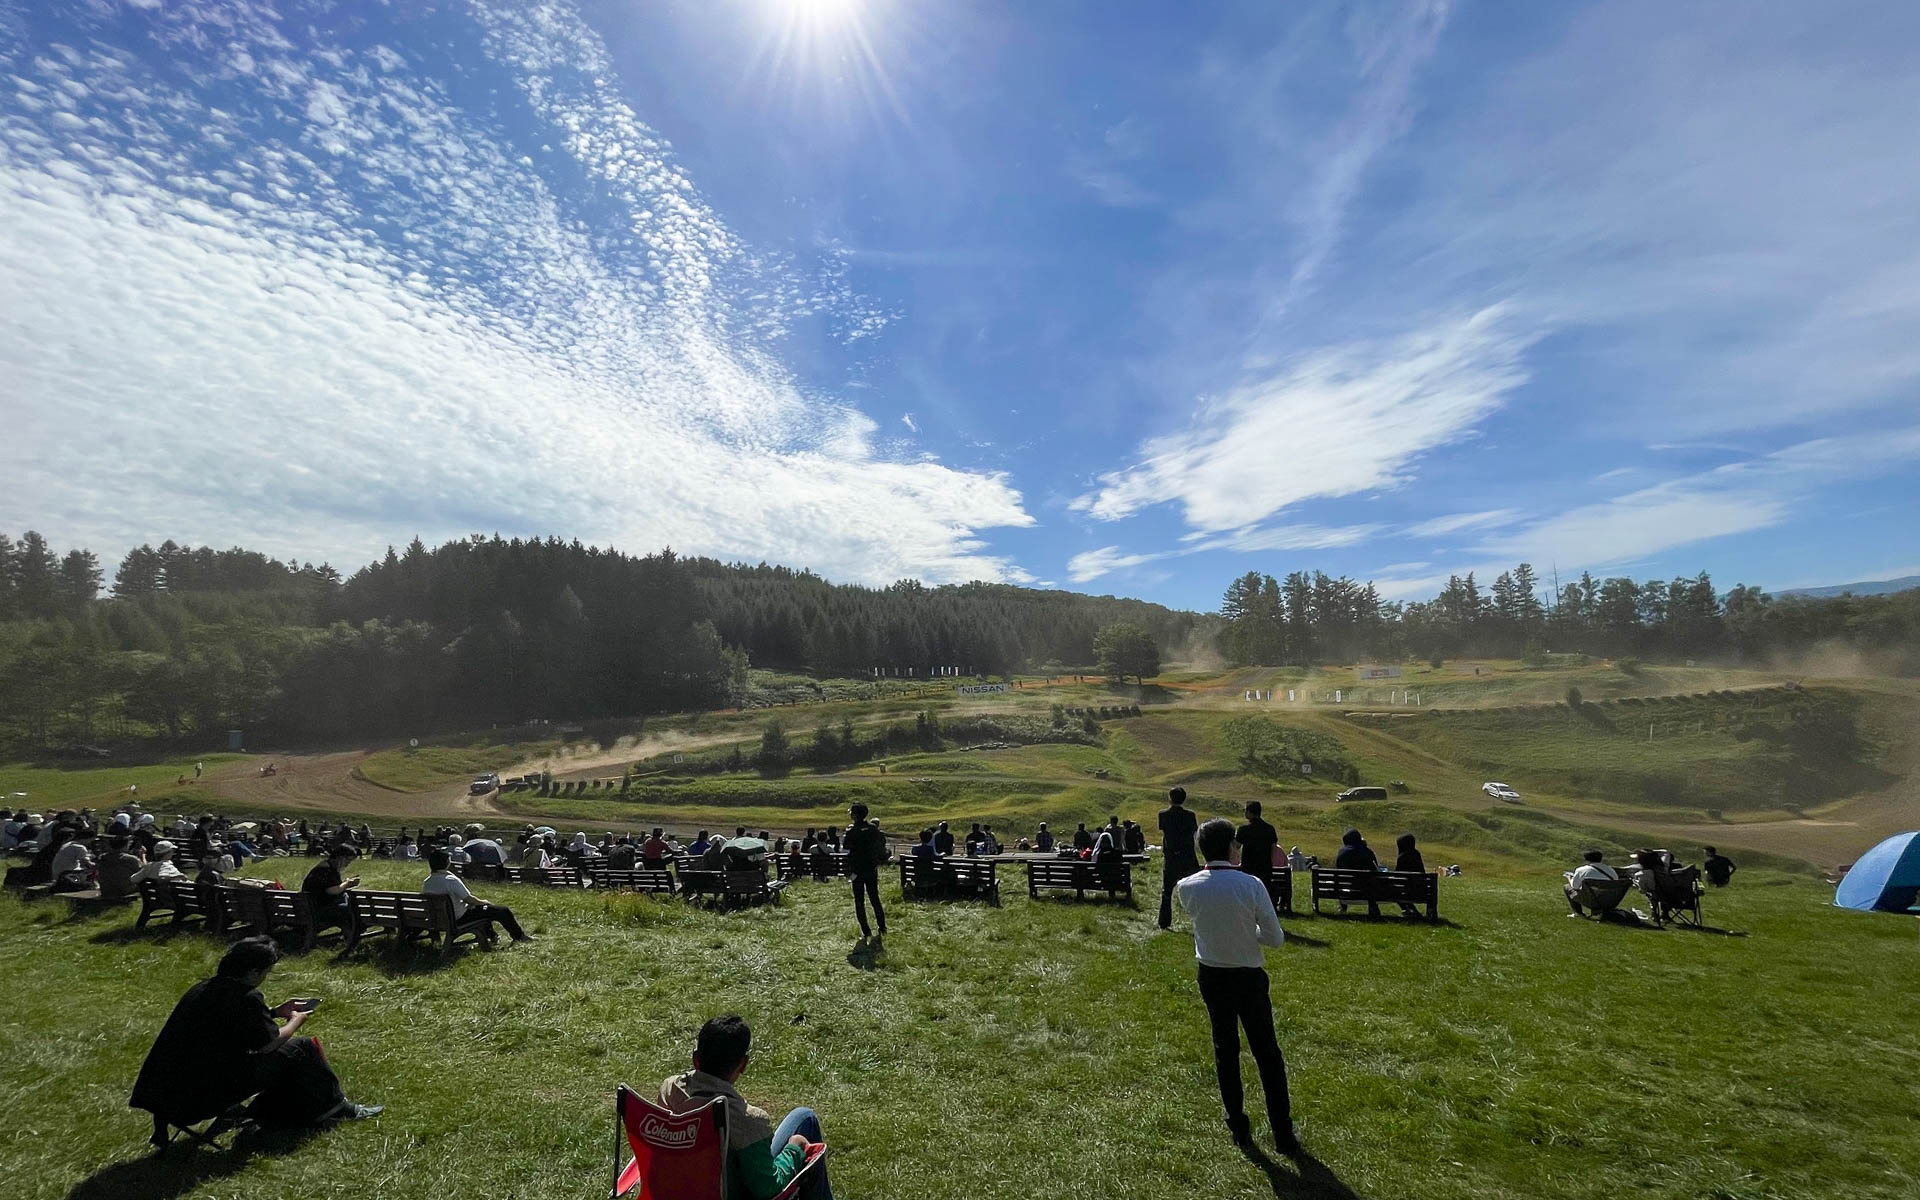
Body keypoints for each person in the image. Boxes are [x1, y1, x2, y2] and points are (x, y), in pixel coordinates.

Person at [130, 936, 380, 1143]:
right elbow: (268, 1044)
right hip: (200, 1098)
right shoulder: (246, 997)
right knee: (302, 1048)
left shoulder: (204, 989)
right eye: (267, 971)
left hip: (164, 1093)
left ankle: (274, 1112)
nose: (266, 976)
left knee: (287, 1056)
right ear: (252, 972)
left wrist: (273, 1013)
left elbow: (230, 1028)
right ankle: (337, 1109)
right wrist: (296, 1020)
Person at [1175, 819, 1297, 1155]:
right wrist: (1249, 933)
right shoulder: (1251, 885)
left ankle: (1238, 1127)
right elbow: (1275, 938)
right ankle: (1283, 1133)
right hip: (1248, 976)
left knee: (1225, 1050)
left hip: (1211, 975)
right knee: (1267, 1053)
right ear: (1231, 847)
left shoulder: (1187, 887)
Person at [658, 1015, 831, 1200]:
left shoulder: (669, 1090)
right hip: (728, 1192)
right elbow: (767, 1188)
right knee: (805, 1118)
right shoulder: (746, 1120)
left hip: (676, 1189)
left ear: (695, 1058)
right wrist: (793, 1149)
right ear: (743, 1064)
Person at [422, 850, 531, 942]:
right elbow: (470, 899)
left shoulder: (427, 882)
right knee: (501, 910)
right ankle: (519, 937)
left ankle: (492, 937)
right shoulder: (450, 880)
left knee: (480, 910)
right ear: (446, 863)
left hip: (437, 919)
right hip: (457, 919)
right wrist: (484, 902)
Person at [1158, 787, 1201, 930]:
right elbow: (1193, 831)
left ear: (1170, 798)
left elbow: (1163, 829)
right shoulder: (1190, 815)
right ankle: (1199, 919)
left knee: (1167, 891)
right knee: (1196, 888)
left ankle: (1164, 921)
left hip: (1171, 856)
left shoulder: (1163, 815)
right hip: (1188, 855)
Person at [844, 802, 888, 939]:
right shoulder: (873, 829)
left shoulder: (852, 832)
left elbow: (846, 849)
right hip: (871, 868)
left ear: (855, 815)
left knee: (859, 901)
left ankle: (866, 930)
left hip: (857, 871)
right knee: (874, 898)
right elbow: (881, 846)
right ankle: (882, 927)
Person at [301, 847, 360, 929]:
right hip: (318, 910)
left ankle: (350, 932)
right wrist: (347, 883)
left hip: (310, 908)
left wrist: (345, 884)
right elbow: (332, 891)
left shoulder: (322, 868)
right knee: (353, 909)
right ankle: (352, 934)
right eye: (348, 861)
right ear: (340, 858)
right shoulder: (326, 870)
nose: (347, 864)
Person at [1334, 829, 1380, 916]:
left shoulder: (1342, 852)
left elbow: (1338, 867)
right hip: (1366, 890)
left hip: (1345, 888)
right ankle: (1373, 908)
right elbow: (1375, 871)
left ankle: (1343, 907)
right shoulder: (1368, 852)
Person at [1564, 849, 1622, 917]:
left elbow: (1575, 886)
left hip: (1592, 901)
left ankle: (1578, 913)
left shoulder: (1582, 870)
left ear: (1586, 859)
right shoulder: (1611, 870)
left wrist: (1569, 878)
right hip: (1610, 901)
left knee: (1567, 887)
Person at [1235, 802, 1279, 891]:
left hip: (1248, 868)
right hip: (1265, 868)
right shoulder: (1269, 828)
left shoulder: (1244, 829)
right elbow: (1274, 849)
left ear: (1249, 812)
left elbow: (1237, 846)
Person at [1392, 833, 1426, 916]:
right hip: (1421, 891)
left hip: (1407, 891)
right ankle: (1413, 910)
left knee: (1393, 891)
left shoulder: (1402, 857)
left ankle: (1406, 909)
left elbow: (1397, 876)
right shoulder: (1416, 854)